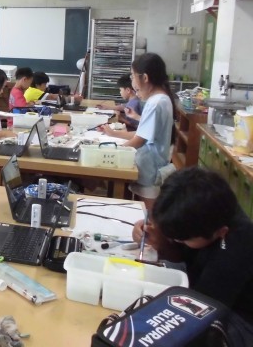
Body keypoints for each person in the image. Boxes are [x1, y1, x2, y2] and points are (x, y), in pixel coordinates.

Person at [132, 167, 253, 340]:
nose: (176, 240)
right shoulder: (202, 209)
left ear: (221, 232)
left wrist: (164, 247)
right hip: (205, 288)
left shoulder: (236, 250)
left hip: (238, 317)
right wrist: (154, 233)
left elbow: (199, 312)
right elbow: (186, 253)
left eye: (181, 239)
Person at [101, 53, 175, 201]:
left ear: (145, 78)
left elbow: (139, 140)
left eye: (133, 76)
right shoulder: (162, 99)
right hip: (151, 165)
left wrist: (113, 151)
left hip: (149, 169)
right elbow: (144, 133)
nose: (132, 82)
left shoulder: (155, 103)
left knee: (146, 209)